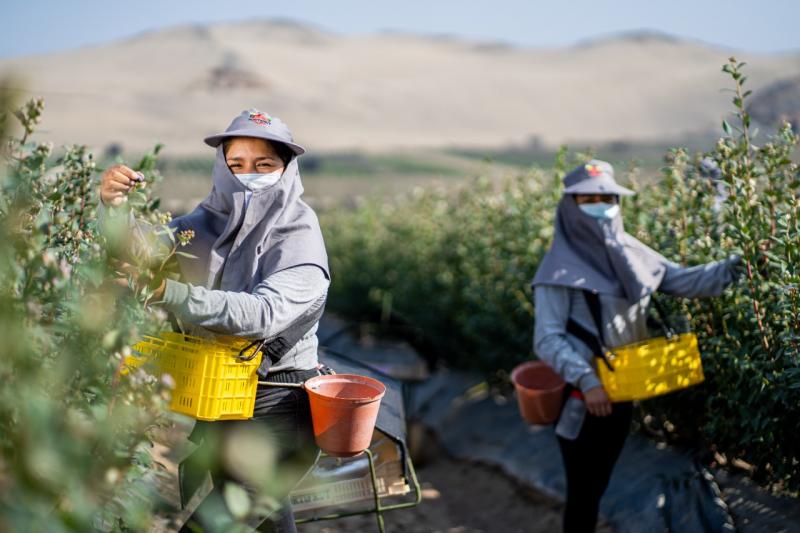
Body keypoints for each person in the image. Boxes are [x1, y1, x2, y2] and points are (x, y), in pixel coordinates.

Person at [99, 109, 330, 532]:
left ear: (286, 169)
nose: (249, 176)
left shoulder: (298, 234)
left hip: (279, 408)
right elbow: (136, 252)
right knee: (262, 520)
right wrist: (114, 208)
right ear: (221, 167)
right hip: (222, 402)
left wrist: (169, 292)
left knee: (222, 520)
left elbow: (263, 314)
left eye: (264, 165)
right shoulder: (201, 225)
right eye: (236, 164)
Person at [531, 160, 741, 533]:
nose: (601, 204)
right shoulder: (559, 268)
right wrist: (586, 380)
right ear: (569, 207)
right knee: (584, 492)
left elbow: (684, 281)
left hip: (621, 392)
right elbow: (547, 338)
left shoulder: (629, 252)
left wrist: (740, 266)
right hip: (584, 399)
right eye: (588, 198)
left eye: (607, 197)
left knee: (596, 488)